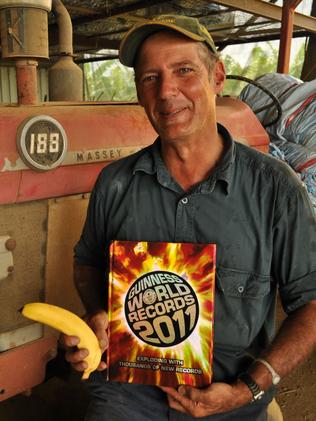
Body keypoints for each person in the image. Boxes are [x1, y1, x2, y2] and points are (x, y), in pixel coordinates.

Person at [62, 14, 316, 421]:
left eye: (184, 71)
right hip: (130, 393)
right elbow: (87, 261)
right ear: (140, 92)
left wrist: (249, 388)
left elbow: (310, 305)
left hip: (232, 393)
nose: (167, 92)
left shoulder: (276, 188)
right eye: (150, 78)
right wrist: (97, 313)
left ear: (217, 76)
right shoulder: (114, 183)